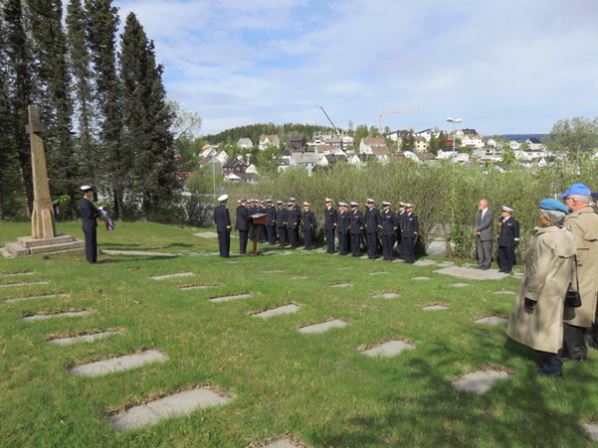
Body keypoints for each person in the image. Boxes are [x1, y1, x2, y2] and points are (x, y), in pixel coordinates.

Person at [506, 199, 575, 376]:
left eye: (541, 214)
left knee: (544, 331)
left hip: (544, 290)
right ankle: (552, 365)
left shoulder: (545, 238)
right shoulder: (567, 235)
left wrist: (531, 295)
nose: (539, 216)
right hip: (558, 288)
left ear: (546, 219)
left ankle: (550, 368)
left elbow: (539, 270)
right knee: (553, 328)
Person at [560, 183, 598, 361]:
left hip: (576, 277)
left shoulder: (572, 221)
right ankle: (580, 352)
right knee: (586, 315)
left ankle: (574, 355)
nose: (564, 203)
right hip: (593, 277)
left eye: (566, 199)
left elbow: (569, 253)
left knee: (571, 316)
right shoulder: (596, 219)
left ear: (575, 201)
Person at [497, 205, 520, 273]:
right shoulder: (501, 220)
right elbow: (499, 230)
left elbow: (516, 232)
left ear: (508, 213)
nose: (502, 213)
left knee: (509, 255)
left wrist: (516, 241)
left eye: (503, 212)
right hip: (502, 240)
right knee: (502, 255)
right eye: (502, 211)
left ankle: (508, 268)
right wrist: (498, 237)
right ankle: (503, 267)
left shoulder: (513, 221)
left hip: (509, 242)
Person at [79, 185, 98, 264]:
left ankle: (92, 259)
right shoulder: (85, 203)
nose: (92, 193)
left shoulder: (86, 202)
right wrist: (99, 213)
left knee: (91, 242)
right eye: (90, 192)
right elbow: (90, 215)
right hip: (89, 224)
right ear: (86, 193)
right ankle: (91, 260)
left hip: (88, 224)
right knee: (90, 243)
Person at [475, 198, 494, 269]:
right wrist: (477, 230)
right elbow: (476, 221)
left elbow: (487, 223)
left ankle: (487, 264)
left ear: (485, 204)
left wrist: (478, 228)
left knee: (486, 250)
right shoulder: (480, 212)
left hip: (486, 234)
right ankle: (481, 263)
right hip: (479, 234)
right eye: (480, 203)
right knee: (480, 250)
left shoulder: (489, 212)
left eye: (481, 203)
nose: (479, 205)